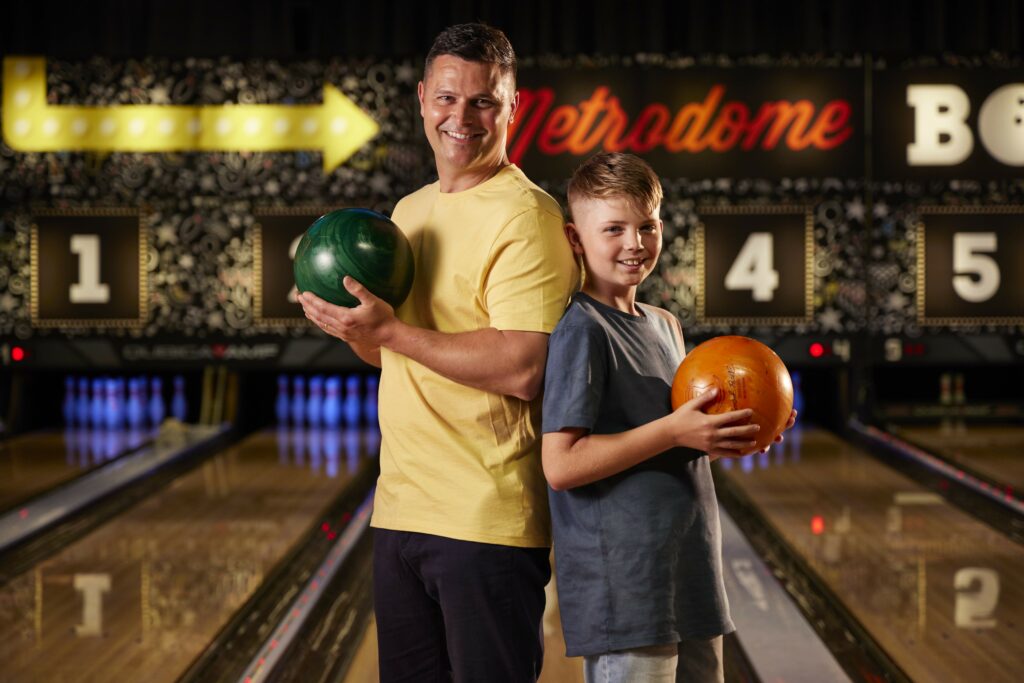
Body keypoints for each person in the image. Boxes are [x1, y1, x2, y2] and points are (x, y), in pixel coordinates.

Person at [298, 23, 578, 683]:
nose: (462, 116)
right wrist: (361, 333)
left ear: (515, 108)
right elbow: (401, 357)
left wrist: (392, 332)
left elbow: (521, 366)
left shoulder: (525, 217)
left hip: (485, 522)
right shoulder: (410, 210)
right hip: (399, 511)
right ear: (423, 99)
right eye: (448, 98)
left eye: (484, 101)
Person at [541, 152, 796, 683]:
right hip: (628, 590)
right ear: (574, 237)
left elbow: (677, 439)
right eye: (613, 229)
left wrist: (737, 431)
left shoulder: (664, 325)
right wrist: (677, 429)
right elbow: (561, 465)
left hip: (691, 576)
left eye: (646, 226)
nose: (634, 243)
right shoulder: (582, 328)